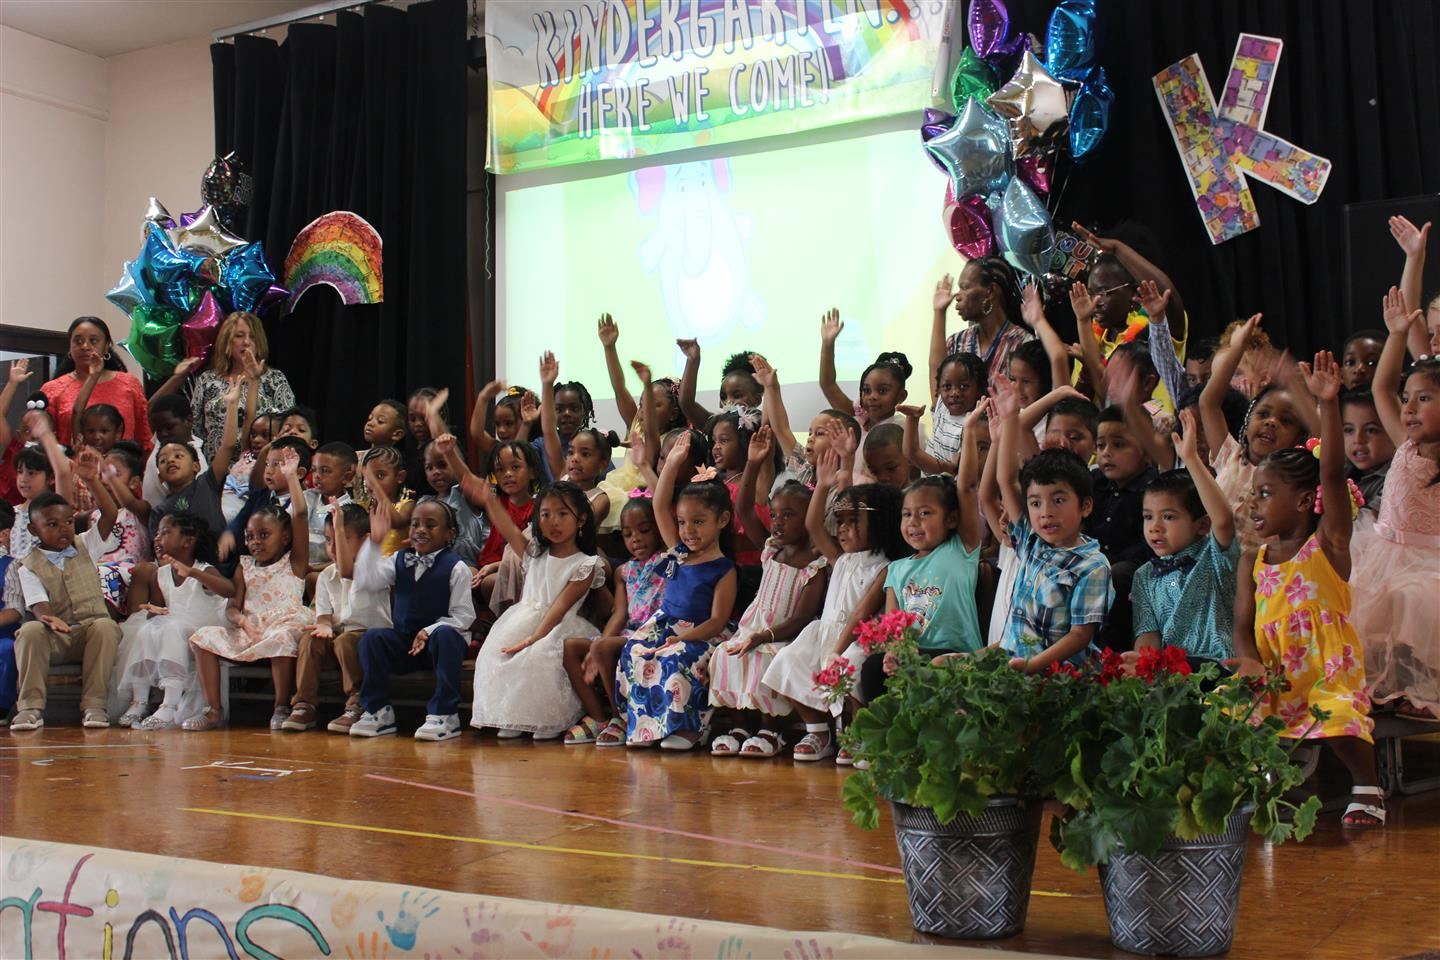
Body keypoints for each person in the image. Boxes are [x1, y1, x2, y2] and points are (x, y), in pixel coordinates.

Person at [1229, 351, 1381, 828]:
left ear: (1302, 500)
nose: (1254, 503)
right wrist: (1249, 661)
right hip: (1273, 673)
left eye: (1266, 494)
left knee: (1334, 711)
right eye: (1253, 493)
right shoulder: (1252, 561)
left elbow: (1333, 474)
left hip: (1326, 671)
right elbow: (1240, 627)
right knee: (1228, 709)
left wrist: (1329, 405)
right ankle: (1261, 780)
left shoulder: (1328, 545)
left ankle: (1367, 787)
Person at [762, 457, 909, 762]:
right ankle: (818, 731)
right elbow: (813, 524)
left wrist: (838, 651)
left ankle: (857, 734)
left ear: (879, 523)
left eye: (852, 521)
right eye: (840, 521)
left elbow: (862, 615)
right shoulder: (840, 558)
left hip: (857, 640)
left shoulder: (886, 567)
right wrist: (824, 485)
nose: (841, 529)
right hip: (824, 633)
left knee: (851, 669)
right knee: (788, 661)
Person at [708, 427, 827, 758]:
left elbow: (802, 617)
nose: (777, 522)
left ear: (810, 518)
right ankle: (739, 726)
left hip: (784, 635)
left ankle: (770, 730)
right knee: (726, 655)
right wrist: (753, 464)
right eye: (775, 515)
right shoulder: (772, 549)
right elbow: (744, 510)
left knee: (761, 659)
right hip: (754, 628)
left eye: (789, 515)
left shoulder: (813, 564)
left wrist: (762, 636)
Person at [615, 431, 737, 750]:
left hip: (701, 634)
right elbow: (659, 504)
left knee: (677, 657)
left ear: (722, 520)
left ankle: (688, 727)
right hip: (665, 624)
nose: (688, 531)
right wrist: (671, 464)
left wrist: (682, 639)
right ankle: (646, 725)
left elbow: (717, 620)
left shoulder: (724, 568)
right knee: (635, 650)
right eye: (683, 522)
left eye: (698, 522)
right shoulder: (679, 552)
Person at [1350, 290, 1440, 719]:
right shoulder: (1404, 444)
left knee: (1413, 598)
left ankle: (1423, 692)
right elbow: (1381, 386)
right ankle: (1381, 687)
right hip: (1382, 551)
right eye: (1409, 399)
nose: (1408, 408)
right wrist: (1398, 335)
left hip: (1430, 561)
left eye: (1424, 399)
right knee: (1365, 602)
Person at [986, 379, 1112, 673]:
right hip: (1014, 661)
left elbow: (1081, 636)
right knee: (942, 665)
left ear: (1085, 506)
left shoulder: (1093, 565)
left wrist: (1032, 666)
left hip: (1058, 677)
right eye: (1035, 503)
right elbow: (1005, 480)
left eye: (1058, 500)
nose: (1045, 513)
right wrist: (1010, 417)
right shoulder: (1031, 542)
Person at [184, 451, 313, 731]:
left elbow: (300, 514)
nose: (255, 542)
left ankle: (281, 705)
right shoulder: (244, 565)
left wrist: (291, 477)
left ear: (286, 537)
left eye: (264, 535)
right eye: (250, 536)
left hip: (283, 625)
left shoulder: (294, 562)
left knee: (281, 638)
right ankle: (213, 710)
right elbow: (233, 606)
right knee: (203, 637)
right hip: (250, 629)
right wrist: (241, 620)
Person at [470, 480, 606, 740]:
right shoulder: (534, 554)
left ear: (581, 520)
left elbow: (560, 607)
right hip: (522, 617)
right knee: (494, 652)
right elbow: (509, 530)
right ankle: (513, 716)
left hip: (558, 625)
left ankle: (547, 718)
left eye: (563, 514)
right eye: (545, 514)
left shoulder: (585, 565)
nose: (553, 521)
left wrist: (533, 638)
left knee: (538, 655)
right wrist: (489, 500)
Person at [350, 494, 476, 741]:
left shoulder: (456, 567)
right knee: (372, 638)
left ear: (450, 533)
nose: (420, 530)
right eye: (416, 524)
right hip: (407, 644)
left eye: (430, 525)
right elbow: (366, 580)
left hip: (438, 646)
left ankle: (445, 713)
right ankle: (378, 711)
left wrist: (429, 630)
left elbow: (463, 616)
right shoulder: (400, 558)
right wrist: (374, 544)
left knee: (448, 636)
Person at [1130, 409, 1239, 662]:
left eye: (1168, 517)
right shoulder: (1144, 575)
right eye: (1148, 517)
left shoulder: (1215, 556)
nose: (1155, 527)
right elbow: (1148, 635)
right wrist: (1143, 668)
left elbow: (1223, 520)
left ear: (1202, 526)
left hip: (1222, 671)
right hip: (1174, 677)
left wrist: (1190, 459)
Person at [1199, 314, 1313, 550]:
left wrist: (1293, 384)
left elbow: (1323, 434)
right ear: (1247, 420)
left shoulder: (1291, 479)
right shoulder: (1229, 455)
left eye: (1286, 420)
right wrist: (1237, 348)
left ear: (1299, 437)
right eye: (1263, 415)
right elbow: (1208, 404)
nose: (1271, 423)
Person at [9, 490, 120, 730]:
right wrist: (49, 619)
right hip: (57, 635)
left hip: (90, 632)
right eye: (52, 524)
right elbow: (39, 604)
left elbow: (111, 514)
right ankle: (30, 708)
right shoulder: (27, 566)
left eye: (69, 522)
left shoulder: (86, 544)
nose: (64, 529)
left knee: (105, 626)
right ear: (33, 530)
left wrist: (93, 481)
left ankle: (94, 706)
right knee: (29, 631)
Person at [110, 512, 231, 729]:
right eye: (157, 533)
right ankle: (140, 700)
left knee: (172, 629)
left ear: (188, 541)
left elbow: (229, 589)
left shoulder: (204, 569)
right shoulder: (161, 574)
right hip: (174, 625)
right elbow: (162, 608)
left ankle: (170, 703)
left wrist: (193, 573)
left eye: (165, 532)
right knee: (146, 629)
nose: (157, 538)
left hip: (202, 627)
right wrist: (154, 610)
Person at [283, 503, 390, 733]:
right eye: (328, 539)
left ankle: (358, 702)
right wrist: (323, 626)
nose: (332, 547)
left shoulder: (375, 568)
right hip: (339, 639)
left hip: (369, 640)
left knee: (345, 640)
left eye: (342, 538)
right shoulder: (325, 576)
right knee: (310, 639)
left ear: (365, 540)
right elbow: (323, 616)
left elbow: (348, 571)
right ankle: (304, 703)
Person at [578, 496, 668, 746]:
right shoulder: (623, 571)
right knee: (571, 648)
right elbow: (620, 613)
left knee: (600, 648)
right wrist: (605, 638)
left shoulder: (668, 561)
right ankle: (601, 717)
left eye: (644, 530)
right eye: (628, 534)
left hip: (657, 631)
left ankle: (620, 718)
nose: (636, 539)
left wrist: (601, 644)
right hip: (631, 631)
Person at [189, 311, 295, 462]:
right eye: (239, 336)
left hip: (261, 468)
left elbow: (289, 428)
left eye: (252, 336)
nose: (246, 342)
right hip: (215, 470)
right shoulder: (207, 380)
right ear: (227, 340)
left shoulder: (274, 379)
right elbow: (195, 430)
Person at [150, 382, 244, 545]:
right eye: (163, 460)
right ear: (160, 478)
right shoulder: (160, 512)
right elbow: (160, 547)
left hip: (219, 560)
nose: (171, 460)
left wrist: (232, 405)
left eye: (178, 456)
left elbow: (228, 445)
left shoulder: (207, 483)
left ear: (196, 466)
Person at [40, 317, 151, 452]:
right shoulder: (52, 389)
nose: (85, 346)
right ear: (69, 346)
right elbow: (45, 442)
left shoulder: (129, 384)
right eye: (78, 341)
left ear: (106, 347)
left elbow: (144, 438)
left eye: (93, 341)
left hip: (124, 468)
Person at [934, 258, 1031, 392]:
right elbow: (937, 392)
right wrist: (939, 312)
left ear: (990, 291)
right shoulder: (956, 342)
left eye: (965, 287)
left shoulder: (1022, 343)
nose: (957, 296)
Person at [904, 350, 985, 475]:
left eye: (963, 386)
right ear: (939, 389)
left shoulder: (974, 427)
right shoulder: (942, 405)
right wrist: (912, 417)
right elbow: (934, 364)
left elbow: (951, 471)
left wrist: (911, 420)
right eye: (947, 386)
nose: (955, 393)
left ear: (979, 388)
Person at [143, 394, 208, 508]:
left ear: (188, 420)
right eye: (157, 430)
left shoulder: (191, 452)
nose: (163, 433)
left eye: (169, 427)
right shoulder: (170, 452)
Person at [1341, 389, 1396, 515]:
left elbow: (1367, 527)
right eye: (1349, 430)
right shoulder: (1344, 467)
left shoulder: (1395, 481)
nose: (1358, 439)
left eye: (1371, 430)